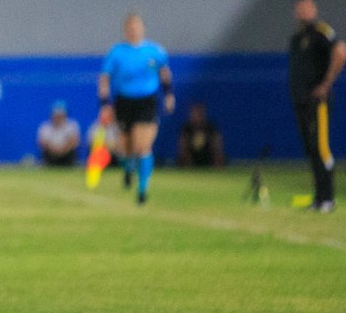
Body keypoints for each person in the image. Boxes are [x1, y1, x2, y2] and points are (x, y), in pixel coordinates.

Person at [97, 14, 173, 204]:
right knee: (123, 149)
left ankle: (142, 189)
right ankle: (129, 167)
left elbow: (164, 73)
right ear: (125, 30)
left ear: (142, 28)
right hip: (124, 102)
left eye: (137, 26)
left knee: (142, 146)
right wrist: (105, 104)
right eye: (130, 27)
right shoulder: (116, 52)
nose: (134, 30)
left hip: (147, 101)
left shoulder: (154, 51)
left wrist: (169, 94)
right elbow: (104, 79)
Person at [289, 0, 346, 213]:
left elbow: (341, 52)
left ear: (314, 9)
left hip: (318, 103)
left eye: (307, 7)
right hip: (301, 102)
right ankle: (318, 198)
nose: (303, 12)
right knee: (311, 150)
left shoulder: (321, 32)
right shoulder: (297, 38)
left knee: (321, 148)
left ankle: (328, 199)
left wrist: (327, 83)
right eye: (300, 8)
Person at [176, 102, 225, 168]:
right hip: (192, 158)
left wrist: (217, 157)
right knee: (182, 158)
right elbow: (182, 146)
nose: (196, 115)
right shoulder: (186, 129)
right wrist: (186, 157)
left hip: (207, 157)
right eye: (194, 113)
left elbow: (217, 145)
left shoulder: (211, 128)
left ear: (203, 114)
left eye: (199, 113)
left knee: (220, 158)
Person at [36, 101, 81, 166]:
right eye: (56, 115)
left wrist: (62, 150)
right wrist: (54, 150)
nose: (58, 117)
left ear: (65, 115)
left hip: (67, 155)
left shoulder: (72, 125)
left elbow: (75, 141)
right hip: (50, 155)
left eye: (61, 115)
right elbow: (42, 143)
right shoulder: (45, 127)